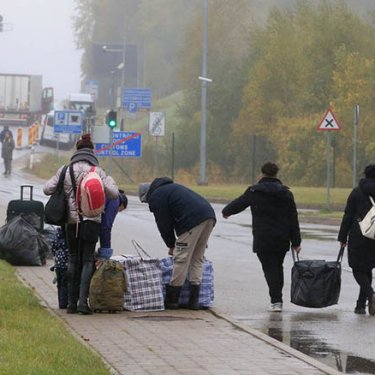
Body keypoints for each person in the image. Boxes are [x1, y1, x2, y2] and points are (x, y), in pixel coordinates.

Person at [43, 133, 119, 315]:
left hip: (71, 222)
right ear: (92, 152)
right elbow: (114, 194)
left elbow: (47, 189)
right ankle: (83, 303)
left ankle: (70, 304)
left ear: (76, 151)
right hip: (91, 222)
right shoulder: (97, 172)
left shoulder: (65, 170)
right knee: (87, 261)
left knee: (72, 258)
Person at [222, 161, 301, 312]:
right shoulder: (286, 193)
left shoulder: (254, 191)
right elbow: (293, 218)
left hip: (263, 237)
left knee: (269, 268)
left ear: (262, 173)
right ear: (276, 174)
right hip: (282, 237)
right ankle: (277, 299)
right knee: (278, 267)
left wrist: (227, 212)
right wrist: (296, 241)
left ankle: (276, 300)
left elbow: (239, 203)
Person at [139, 177, 216, 310]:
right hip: (208, 216)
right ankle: (194, 302)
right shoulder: (169, 189)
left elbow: (164, 224)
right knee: (197, 258)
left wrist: (171, 245)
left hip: (192, 221)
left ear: (147, 195)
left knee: (181, 259)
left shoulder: (157, 197)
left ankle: (173, 300)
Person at [338, 164, 375, 315]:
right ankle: (361, 305)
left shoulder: (357, 192)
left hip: (358, 235)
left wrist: (342, 237)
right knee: (367, 268)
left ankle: (371, 295)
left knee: (358, 268)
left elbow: (348, 215)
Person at [97, 189, 128, 260]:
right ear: (122, 204)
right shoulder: (115, 199)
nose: (118, 212)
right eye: (120, 210)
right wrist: (105, 252)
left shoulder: (108, 192)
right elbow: (106, 226)